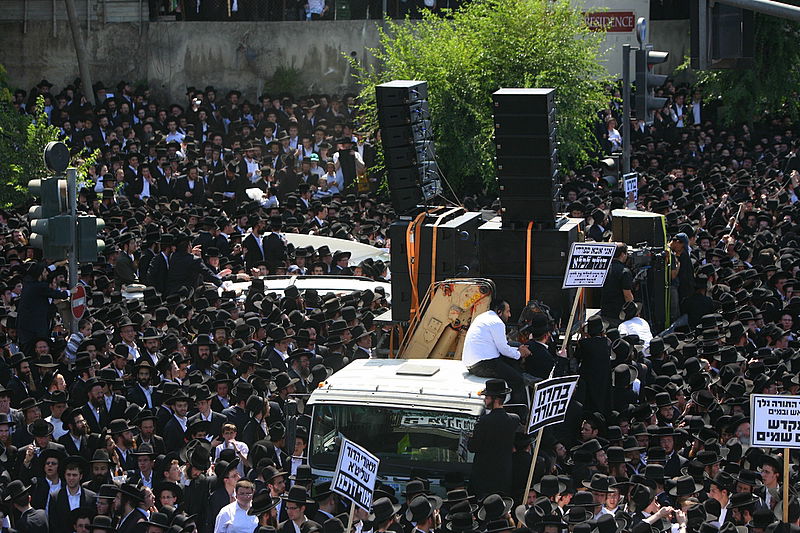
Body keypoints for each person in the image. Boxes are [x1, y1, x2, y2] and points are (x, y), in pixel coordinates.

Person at [463, 298, 530, 405]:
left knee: (512, 361)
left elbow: (501, 346)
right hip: (483, 364)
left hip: (473, 364)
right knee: (517, 379)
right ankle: (520, 410)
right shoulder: (497, 322)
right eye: (507, 311)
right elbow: (503, 349)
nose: (510, 315)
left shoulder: (482, 317)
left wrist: (517, 350)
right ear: (499, 312)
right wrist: (519, 354)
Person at [468, 379, 520, 499]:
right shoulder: (514, 420)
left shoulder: (484, 422)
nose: (484, 400)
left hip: (484, 478)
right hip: (504, 477)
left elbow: (473, 447)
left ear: (495, 400)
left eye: (487, 397)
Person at [599, 243, 633, 328]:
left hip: (605, 311)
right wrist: (633, 310)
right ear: (622, 254)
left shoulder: (604, 269)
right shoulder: (625, 272)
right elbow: (627, 295)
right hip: (618, 314)